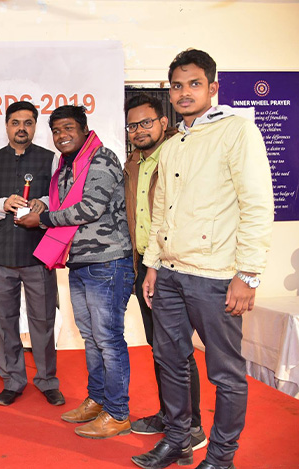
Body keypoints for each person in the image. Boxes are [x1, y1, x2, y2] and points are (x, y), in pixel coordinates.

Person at [132, 49, 274, 469]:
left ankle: (221, 458)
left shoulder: (237, 132)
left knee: (225, 373)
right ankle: (178, 441)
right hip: (170, 274)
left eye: (194, 84)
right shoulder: (173, 145)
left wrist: (248, 274)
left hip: (216, 276)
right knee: (170, 361)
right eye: (177, 86)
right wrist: (153, 265)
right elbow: (162, 211)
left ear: (212, 87)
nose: (184, 92)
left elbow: (256, 205)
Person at [17, 105, 134, 439]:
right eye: (56, 131)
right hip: (81, 261)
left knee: (108, 339)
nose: (61, 136)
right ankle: (98, 400)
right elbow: (64, 206)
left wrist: (42, 219)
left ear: (84, 129)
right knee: (91, 338)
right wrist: (43, 207)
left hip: (108, 260)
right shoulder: (67, 166)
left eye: (68, 128)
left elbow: (90, 208)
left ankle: (118, 413)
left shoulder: (100, 159)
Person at [123, 94, 207, 451]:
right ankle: (171, 413)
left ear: (162, 122)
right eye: (132, 125)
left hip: (175, 266)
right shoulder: (133, 163)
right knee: (159, 348)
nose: (139, 130)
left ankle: (192, 424)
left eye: (146, 122)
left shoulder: (180, 155)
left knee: (177, 349)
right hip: (144, 264)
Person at [0, 101, 64, 407]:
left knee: (43, 321)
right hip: (0, 256)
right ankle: (12, 380)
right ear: (7, 126)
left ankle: (47, 380)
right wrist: (2, 204)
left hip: (39, 255)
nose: (21, 128)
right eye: (15, 122)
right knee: (4, 322)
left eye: (28, 122)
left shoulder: (51, 159)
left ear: (35, 126)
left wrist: (43, 203)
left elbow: (61, 198)